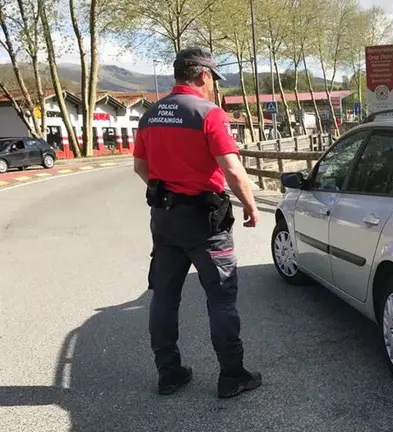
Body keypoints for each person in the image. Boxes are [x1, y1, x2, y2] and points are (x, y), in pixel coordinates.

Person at [132, 47, 261, 399]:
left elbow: (141, 168)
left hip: (165, 220)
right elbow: (233, 170)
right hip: (206, 223)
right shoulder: (209, 114)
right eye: (212, 80)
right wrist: (250, 206)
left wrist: (166, 193)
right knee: (220, 298)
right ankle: (232, 375)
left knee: (163, 297)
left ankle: (169, 373)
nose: (212, 87)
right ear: (203, 76)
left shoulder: (150, 115)